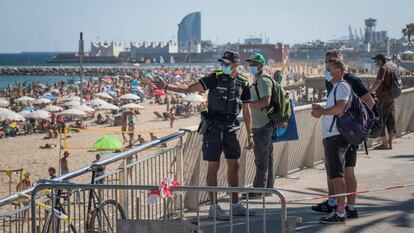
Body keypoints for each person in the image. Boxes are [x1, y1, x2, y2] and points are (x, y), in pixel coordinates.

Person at [157, 51, 255, 220]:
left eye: (226, 63)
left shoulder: (243, 82)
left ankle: (235, 204)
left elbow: (246, 110)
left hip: (231, 128)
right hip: (213, 129)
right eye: (222, 62)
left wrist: (250, 134)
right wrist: (166, 87)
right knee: (213, 167)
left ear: (235, 64)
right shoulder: (214, 77)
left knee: (235, 166)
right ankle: (214, 207)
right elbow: (188, 89)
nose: (223, 66)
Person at [311, 50, 375, 218]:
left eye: (330, 63)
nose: (326, 67)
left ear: (339, 65)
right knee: (335, 171)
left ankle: (346, 209)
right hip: (339, 133)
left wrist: (352, 121)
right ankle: (335, 204)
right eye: (326, 62)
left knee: (345, 172)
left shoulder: (348, 81)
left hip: (344, 134)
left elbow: (368, 100)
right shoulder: (332, 83)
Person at [311, 58, 351, 224]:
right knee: (334, 174)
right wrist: (322, 110)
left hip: (336, 136)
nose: (325, 71)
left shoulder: (341, 86)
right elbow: (335, 109)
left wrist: (322, 112)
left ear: (337, 71)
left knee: (337, 175)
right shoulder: (336, 87)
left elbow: (340, 108)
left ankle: (340, 213)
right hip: (332, 136)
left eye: (328, 69)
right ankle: (338, 209)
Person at [245, 53, 274, 198]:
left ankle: (258, 191)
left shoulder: (263, 80)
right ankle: (267, 189)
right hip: (262, 123)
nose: (251, 67)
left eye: (254, 64)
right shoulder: (258, 79)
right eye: (250, 64)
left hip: (262, 124)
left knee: (261, 159)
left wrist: (247, 104)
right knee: (266, 158)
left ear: (261, 65)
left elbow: (265, 101)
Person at [370, 54, 396, 150]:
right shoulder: (391, 67)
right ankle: (390, 143)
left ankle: (384, 144)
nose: (375, 62)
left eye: (376, 60)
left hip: (383, 99)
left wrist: (370, 92)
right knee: (390, 121)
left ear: (380, 60)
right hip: (391, 98)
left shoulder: (382, 69)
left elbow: (378, 82)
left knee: (380, 121)